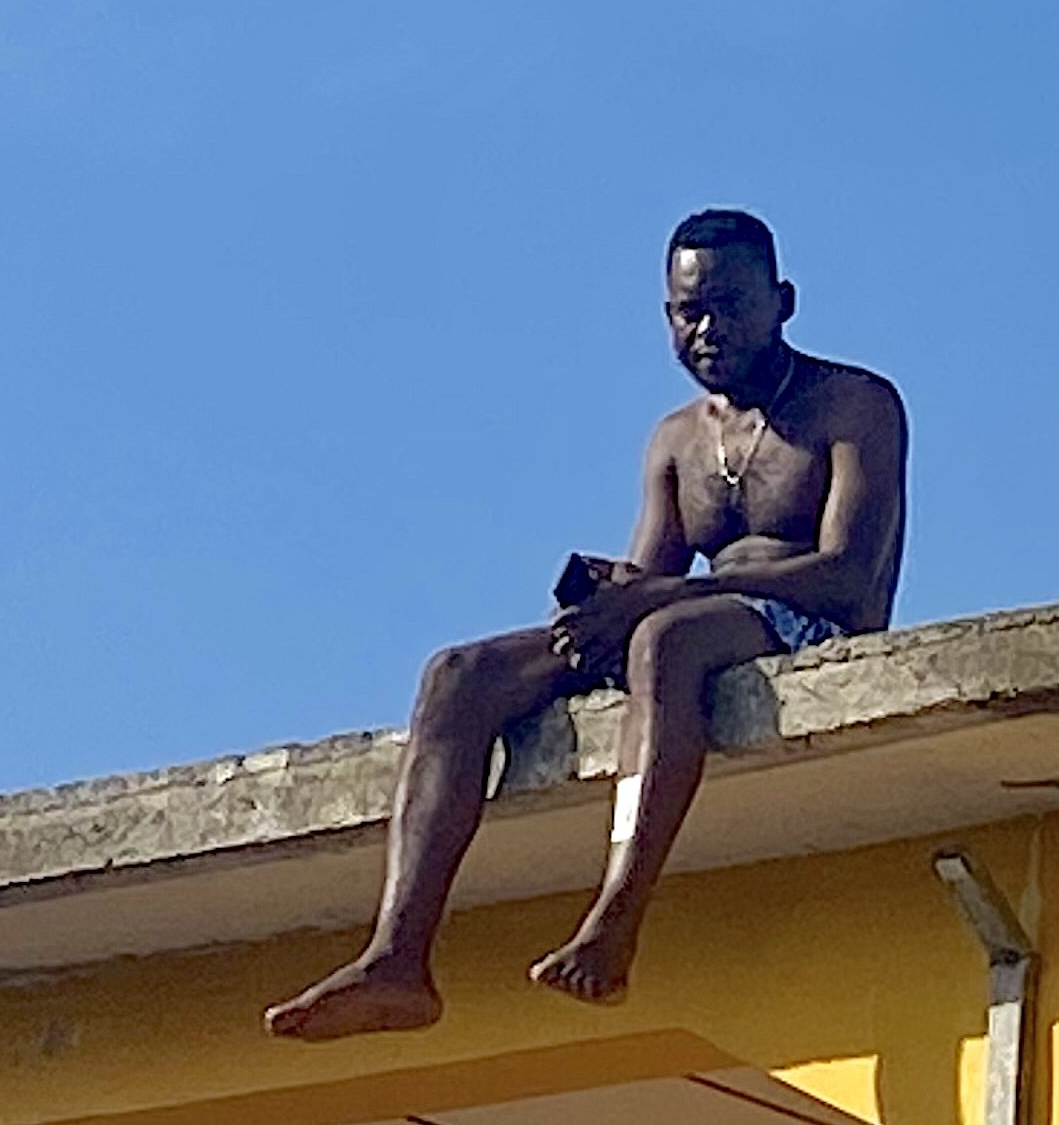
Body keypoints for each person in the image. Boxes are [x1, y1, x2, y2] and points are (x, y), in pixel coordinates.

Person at [265, 208, 910, 1039]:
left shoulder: (854, 405)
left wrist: (648, 603)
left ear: (783, 301)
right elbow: (653, 574)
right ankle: (397, 958)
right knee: (456, 675)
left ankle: (615, 918)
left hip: (805, 624)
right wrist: (603, 602)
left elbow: (852, 581)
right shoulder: (677, 439)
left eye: (732, 306)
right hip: (686, 613)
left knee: (662, 640)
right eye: (688, 312)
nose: (708, 329)